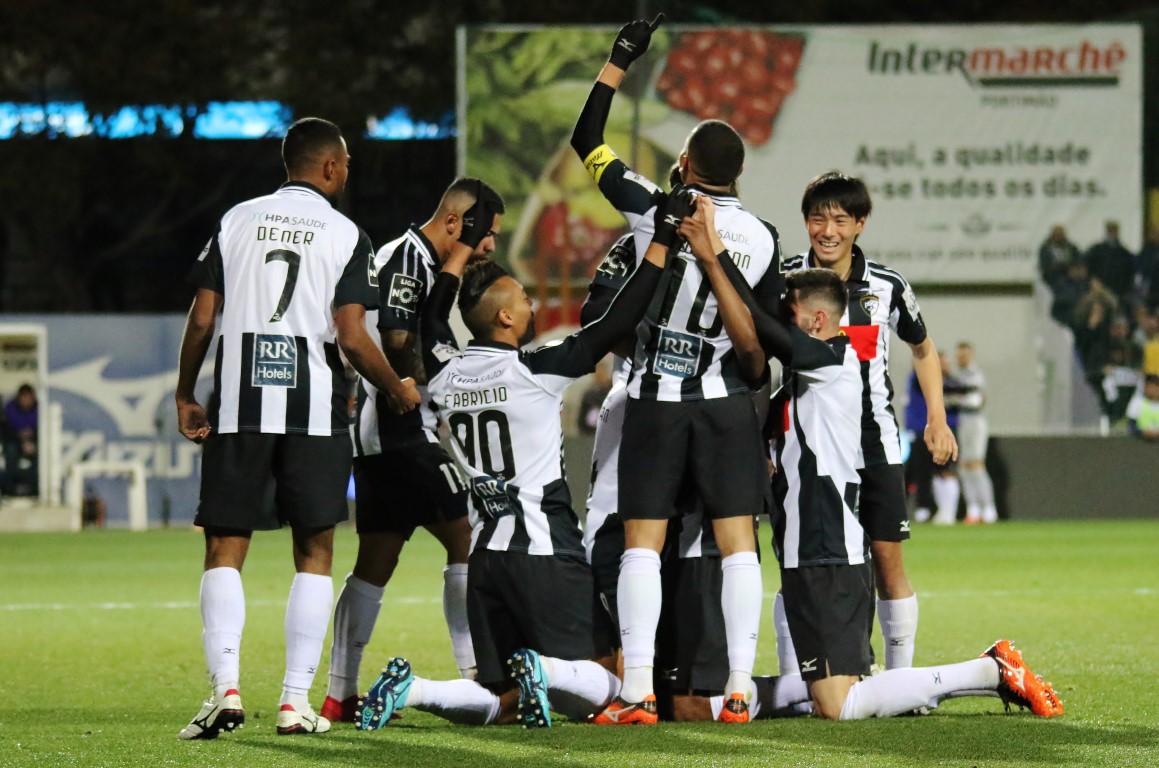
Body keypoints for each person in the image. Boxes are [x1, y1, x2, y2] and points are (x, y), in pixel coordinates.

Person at [354, 184, 686, 731]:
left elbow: (435, 312)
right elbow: (617, 322)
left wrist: (462, 250)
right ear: (504, 319)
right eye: (522, 299)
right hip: (546, 551)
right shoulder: (535, 372)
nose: (531, 304)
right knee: (612, 680)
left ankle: (416, 690)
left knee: (499, 699)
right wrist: (660, 246)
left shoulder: (442, 371)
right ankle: (548, 669)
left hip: (486, 556)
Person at [174, 117, 420, 740]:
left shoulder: (236, 219)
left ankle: (225, 692)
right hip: (313, 413)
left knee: (224, 545)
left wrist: (184, 392)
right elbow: (351, 333)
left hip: (239, 406)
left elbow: (204, 317)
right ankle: (293, 703)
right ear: (332, 167)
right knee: (314, 551)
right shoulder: (346, 234)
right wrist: (395, 388)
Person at [572, 15, 780, 725]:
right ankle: (738, 690)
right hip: (724, 402)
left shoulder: (654, 207)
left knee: (642, 541)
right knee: (737, 545)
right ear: (740, 173)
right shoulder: (763, 236)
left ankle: (634, 694)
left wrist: (619, 59)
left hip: (657, 396)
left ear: (685, 165)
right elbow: (758, 342)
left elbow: (587, 143)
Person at [756, 264, 1063, 722]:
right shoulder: (797, 380)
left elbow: (763, 329)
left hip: (827, 542)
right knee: (830, 694)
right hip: (804, 543)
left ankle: (987, 671)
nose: (781, 314)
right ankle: (733, 693)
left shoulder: (834, 358)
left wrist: (720, 260)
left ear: (816, 319)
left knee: (839, 707)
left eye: (789, 308)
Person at [321, 178, 504, 723]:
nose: (489, 246)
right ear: (454, 222)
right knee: (467, 534)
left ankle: (339, 693)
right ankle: (478, 679)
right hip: (404, 428)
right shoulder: (409, 258)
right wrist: (451, 388)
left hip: (383, 436)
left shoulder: (415, 260)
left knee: (376, 561)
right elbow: (399, 341)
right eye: (485, 234)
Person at [777, 172, 957, 672]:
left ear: (860, 223)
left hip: (873, 441)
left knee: (886, 560)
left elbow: (923, 348)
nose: (827, 230)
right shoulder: (785, 280)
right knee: (801, 562)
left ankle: (901, 679)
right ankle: (798, 678)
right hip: (806, 446)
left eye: (839, 219)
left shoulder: (887, 285)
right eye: (818, 218)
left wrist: (936, 419)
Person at [954, 342, 997, 525]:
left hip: (975, 421)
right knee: (964, 466)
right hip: (963, 420)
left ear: (971, 355)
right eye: (959, 355)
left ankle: (988, 508)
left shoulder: (975, 376)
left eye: (964, 355)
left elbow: (976, 401)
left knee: (976, 465)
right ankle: (973, 508)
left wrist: (954, 399)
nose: (961, 358)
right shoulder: (960, 377)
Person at [1084, 220, 1136, 309]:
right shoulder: (1096, 249)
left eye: (1114, 230)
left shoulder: (1124, 252)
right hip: (1099, 289)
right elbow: (1088, 267)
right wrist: (1092, 280)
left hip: (1118, 291)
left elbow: (1130, 272)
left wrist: (1125, 289)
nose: (1112, 233)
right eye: (1110, 230)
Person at [3, 383, 38, 496]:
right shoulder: (9, 409)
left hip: (34, 443)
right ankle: (10, 489)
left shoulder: (40, 410)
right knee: (10, 450)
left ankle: (35, 488)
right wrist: (19, 437)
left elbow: (41, 430)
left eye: (29, 397)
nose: (26, 400)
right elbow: (5, 429)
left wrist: (32, 440)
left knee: (42, 456)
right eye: (24, 397)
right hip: (14, 442)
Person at [1126, 374, 1159, 440]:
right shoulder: (1137, 402)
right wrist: (1143, 433)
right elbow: (1131, 426)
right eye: (1148, 386)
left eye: (1153, 387)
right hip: (1141, 442)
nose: (1151, 390)